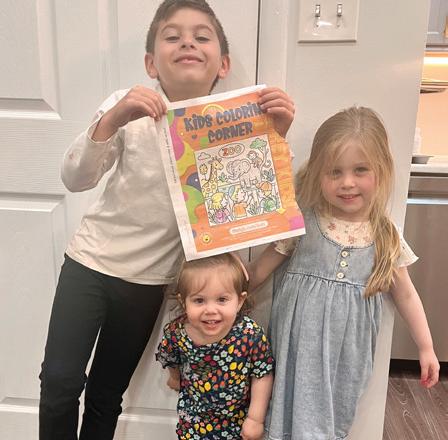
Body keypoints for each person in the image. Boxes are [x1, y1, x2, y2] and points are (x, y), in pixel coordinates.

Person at [38, 0, 295, 438]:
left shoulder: (231, 127)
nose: (187, 43)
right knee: (60, 384)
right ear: (151, 63)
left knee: (106, 394)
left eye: (201, 36)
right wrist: (112, 119)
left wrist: (273, 135)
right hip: (90, 265)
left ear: (223, 63)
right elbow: (75, 178)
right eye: (173, 36)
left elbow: (240, 211)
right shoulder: (128, 109)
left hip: (149, 283)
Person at [249, 106, 440, 440]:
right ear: (318, 173)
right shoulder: (301, 221)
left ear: (381, 170)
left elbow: (407, 294)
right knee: (283, 411)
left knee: (331, 420)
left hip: (347, 353)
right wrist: (220, 291)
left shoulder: (385, 234)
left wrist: (426, 347)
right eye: (334, 172)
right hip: (295, 345)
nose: (347, 183)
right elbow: (259, 271)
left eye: (360, 170)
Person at [156, 253, 274, 440]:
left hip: (236, 424)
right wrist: (174, 377)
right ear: (183, 302)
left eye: (222, 299)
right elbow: (170, 358)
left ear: (239, 301)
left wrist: (255, 418)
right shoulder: (176, 332)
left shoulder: (249, 334)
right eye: (199, 300)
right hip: (193, 423)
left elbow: (262, 374)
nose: (210, 310)